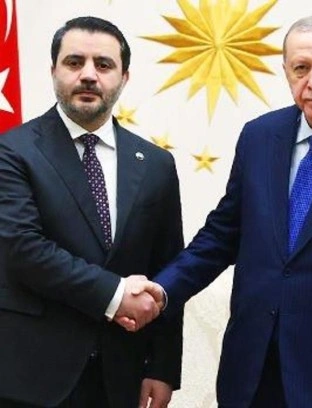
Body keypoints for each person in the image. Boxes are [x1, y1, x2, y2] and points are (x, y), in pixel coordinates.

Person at [130, 14, 312, 408]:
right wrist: (163, 290)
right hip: (250, 349)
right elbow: (222, 234)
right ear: (286, 72)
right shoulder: (260, 136)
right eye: (301, 68)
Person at [0, 17, 184, 408]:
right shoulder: (13, 150)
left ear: (124, 77)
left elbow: (168, 267)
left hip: (121, 377)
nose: (88, 75)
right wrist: (115, 294)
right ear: (53, 71)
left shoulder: (156, 164)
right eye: (74, 62)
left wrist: (163, 367)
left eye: (103, 64)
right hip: (31, 378)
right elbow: (22, 247)